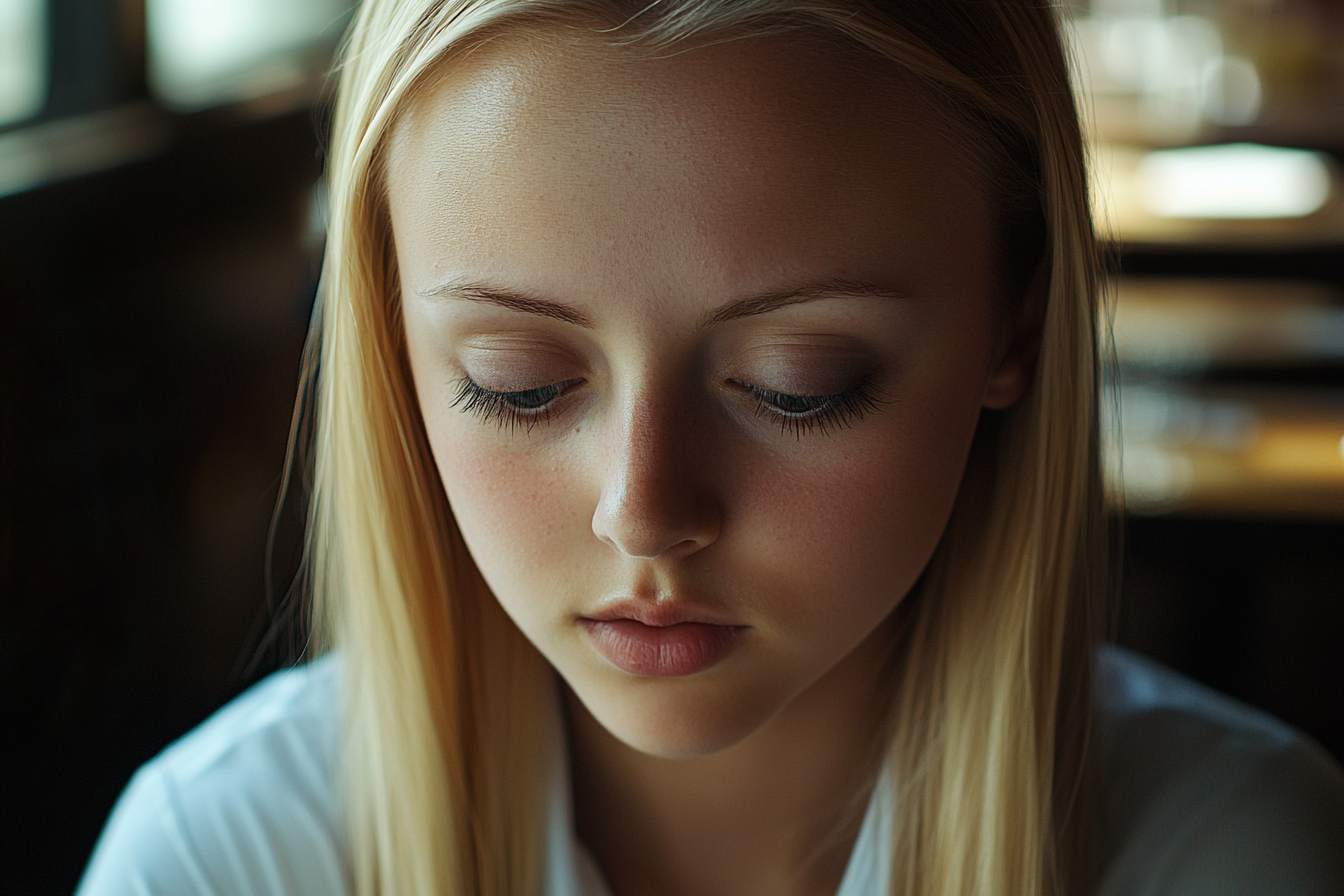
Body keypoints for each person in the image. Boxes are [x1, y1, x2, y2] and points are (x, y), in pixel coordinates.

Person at [77, 1, 1344, 894]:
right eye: (516, 387)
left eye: (798, 387)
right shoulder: (221, 859)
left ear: (1016, 319)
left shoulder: (1236, 854)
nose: (643, 510)